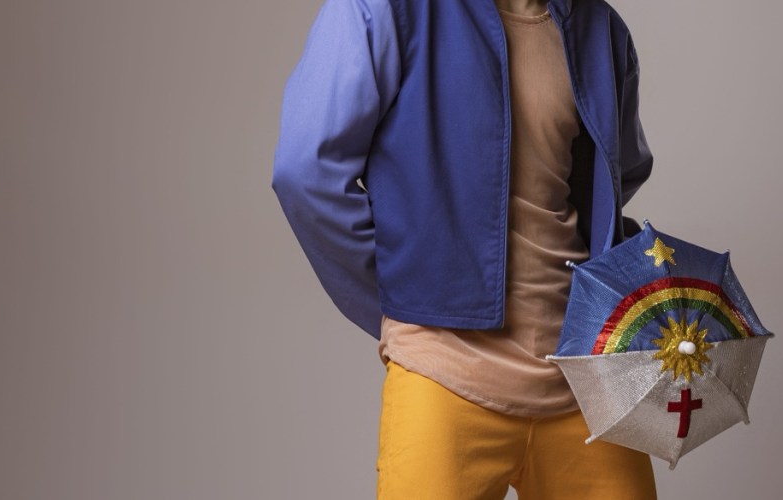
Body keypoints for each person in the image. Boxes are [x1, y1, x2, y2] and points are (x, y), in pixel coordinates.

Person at [271, 0, 656, 498]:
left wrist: (652, 300)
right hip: (445, 376)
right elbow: (306, 173)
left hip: (587, 380)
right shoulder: (383, 9)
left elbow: (616, 179)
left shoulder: (601, 28)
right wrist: (407, 297)